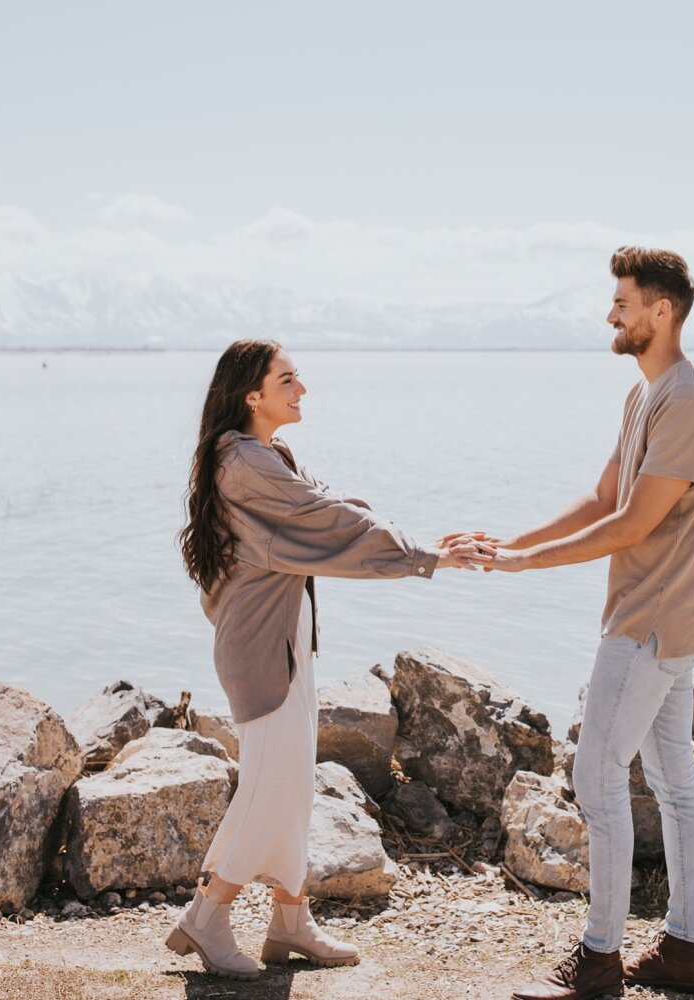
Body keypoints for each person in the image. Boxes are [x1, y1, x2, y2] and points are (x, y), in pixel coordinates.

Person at [166, 339, 489, 980]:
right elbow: (332, 525)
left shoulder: (262, 455)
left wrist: (419, 543)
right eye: (288, 380)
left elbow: (334, 509)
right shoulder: (245, 463)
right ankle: (207, 917)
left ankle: (289, 921)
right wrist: (429, 555)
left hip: (282, 644)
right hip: (264, 652)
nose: (302, 389)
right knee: (270, 789)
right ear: (251, 395)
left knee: (291, 791)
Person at [491, 247, 694, 1000]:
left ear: (661, 312)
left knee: (596, 777)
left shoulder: (687, 401)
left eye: (623, 303)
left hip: (653, 620)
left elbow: (633, 525)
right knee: (671, 781)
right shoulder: (646, 397)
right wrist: (509, 545)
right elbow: (602, 500)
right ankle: (686, 951)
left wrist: (529, 569)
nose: (611, 315)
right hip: (668, 615)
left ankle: (599, 961)